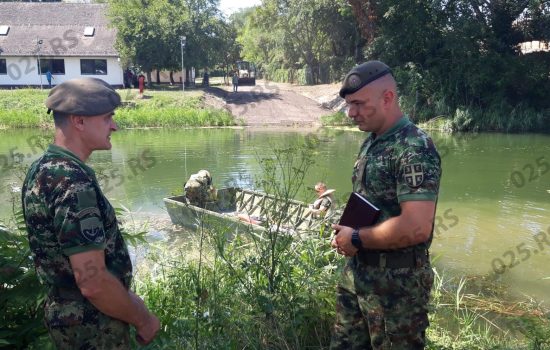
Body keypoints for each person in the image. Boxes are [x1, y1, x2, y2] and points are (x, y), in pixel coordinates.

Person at [21, 77, 160, 348]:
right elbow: (93, 282)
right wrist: (143, 318)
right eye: (107, 118)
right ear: (79, 121)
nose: (114, 126)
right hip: (92, 326)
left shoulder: (42, 169)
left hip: (67, 320)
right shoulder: (74, 185)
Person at [330, 61, 441, 349]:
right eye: (348, 105)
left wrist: (355, 237)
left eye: (358, 103)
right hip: (357, 277)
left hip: (396, 290)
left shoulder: (413, 147)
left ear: (388, 98)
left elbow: (416, 227)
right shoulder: (371, 142)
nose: (351, 112)